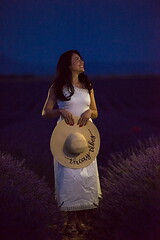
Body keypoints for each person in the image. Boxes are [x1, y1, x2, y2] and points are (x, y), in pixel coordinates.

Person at [42, 50, 102, 235]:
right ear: (68, 65)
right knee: (68, 177)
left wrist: (88, 113)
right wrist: (60, 112)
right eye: (77, 59)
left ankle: (82, 221)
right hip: (66, 137)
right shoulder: (57, 87)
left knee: (85, 176)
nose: (82, 61)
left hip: (85, 137)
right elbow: (45, 112)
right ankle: (68, 222)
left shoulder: (87, 85)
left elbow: (95, 112)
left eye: (81, 58)